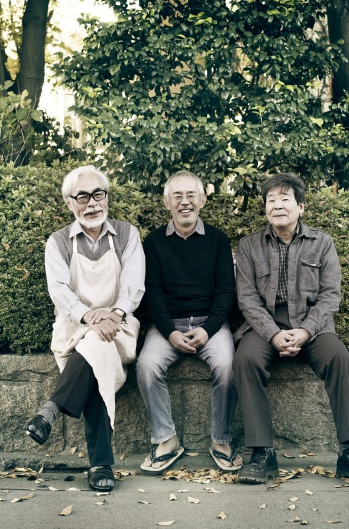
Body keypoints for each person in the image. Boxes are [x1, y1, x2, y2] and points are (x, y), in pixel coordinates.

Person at [233, 172, 349, 485]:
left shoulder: (322, 243)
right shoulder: (249, 246)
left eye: (285, 199)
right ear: (265, 209)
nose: (277, 206)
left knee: (339, 358)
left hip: (313, 325)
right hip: (264, 326)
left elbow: (330, 294)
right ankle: (261, 452)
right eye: (271, 200)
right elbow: (246, 298)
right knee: (245, 360)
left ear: (300, 207)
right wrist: (273, 333)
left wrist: (306, 331)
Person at [26, 165, 145, 492]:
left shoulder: (127, 234)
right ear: (69, 203)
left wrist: (115, 314)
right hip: (74, 329)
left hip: (119, 328)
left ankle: (52, 410)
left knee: (99, 348)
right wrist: (90, 317)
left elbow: (134, 286)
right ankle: (101, 465)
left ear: (106, 197)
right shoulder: (58, 242)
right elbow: (59, 291)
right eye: (83, 197)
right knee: (96, 354)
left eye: (99, 194)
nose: (93, 204)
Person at [136, 170, 241, 473]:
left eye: (191, 195)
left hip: (211, 324)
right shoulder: (154, 243)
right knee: (146, 366)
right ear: (166, 202)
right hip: (167, 325)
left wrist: (208, 331)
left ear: (203, 200)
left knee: (227, 365)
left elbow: (226, 292)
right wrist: (169, 333)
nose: (185, 202)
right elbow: (152, 293)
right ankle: (166, 439)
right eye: (177, 196)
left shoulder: (218, 240)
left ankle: (221, 440)